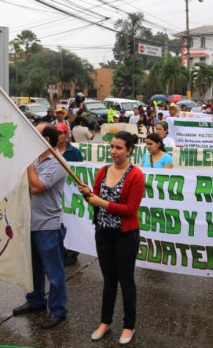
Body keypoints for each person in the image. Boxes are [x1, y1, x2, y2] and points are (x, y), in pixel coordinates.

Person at [78, 131, 144, 345]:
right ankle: (105, 322)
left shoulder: (136, 175)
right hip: (103, 233)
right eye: (112, 147)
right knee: (108, 281)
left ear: (129, 150)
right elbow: (93, 199)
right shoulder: (103, 171)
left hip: (126, 235)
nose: (114, 151)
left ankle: (129, 325)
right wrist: (87, 194)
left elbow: (131, 209)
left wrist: (102, 203)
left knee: (126, 281)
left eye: (119, 148)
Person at [12, 124, 68, 330]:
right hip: (29, 222)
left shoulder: (58, 162)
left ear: (45, 139)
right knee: (33, 267)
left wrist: (27, 165)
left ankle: (58, 309)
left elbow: (36, 187)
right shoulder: (36, 161)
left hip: (47, 225)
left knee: (54, 272)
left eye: (34, 134)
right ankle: (35, 301)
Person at [55, 122, 83, 266]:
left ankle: (72, 252)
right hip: (56, 192)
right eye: (56, 132)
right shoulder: (50, 151)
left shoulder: (74, 152)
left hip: (71, 193)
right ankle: (61, 250)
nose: (58, 136)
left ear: (66, 135)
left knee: (71, 221)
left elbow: (81, 174)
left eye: (60, 133)